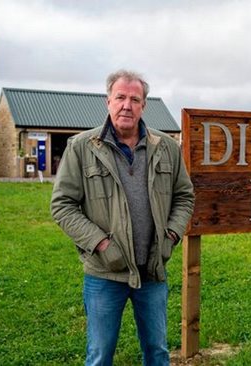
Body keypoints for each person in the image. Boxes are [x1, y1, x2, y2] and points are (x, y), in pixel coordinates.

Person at [51, 70, 195, 366]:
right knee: (100, 355)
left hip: (152, 272)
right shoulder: (81, 147)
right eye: (120, 97)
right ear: (108, 102)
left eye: (134, 99)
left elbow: (184, 196)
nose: (127, 105)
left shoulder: (166, 147)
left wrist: (170, 236)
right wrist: (101, 243)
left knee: (157, 352)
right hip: (105, 274)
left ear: (143, 105)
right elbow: (63, 205)